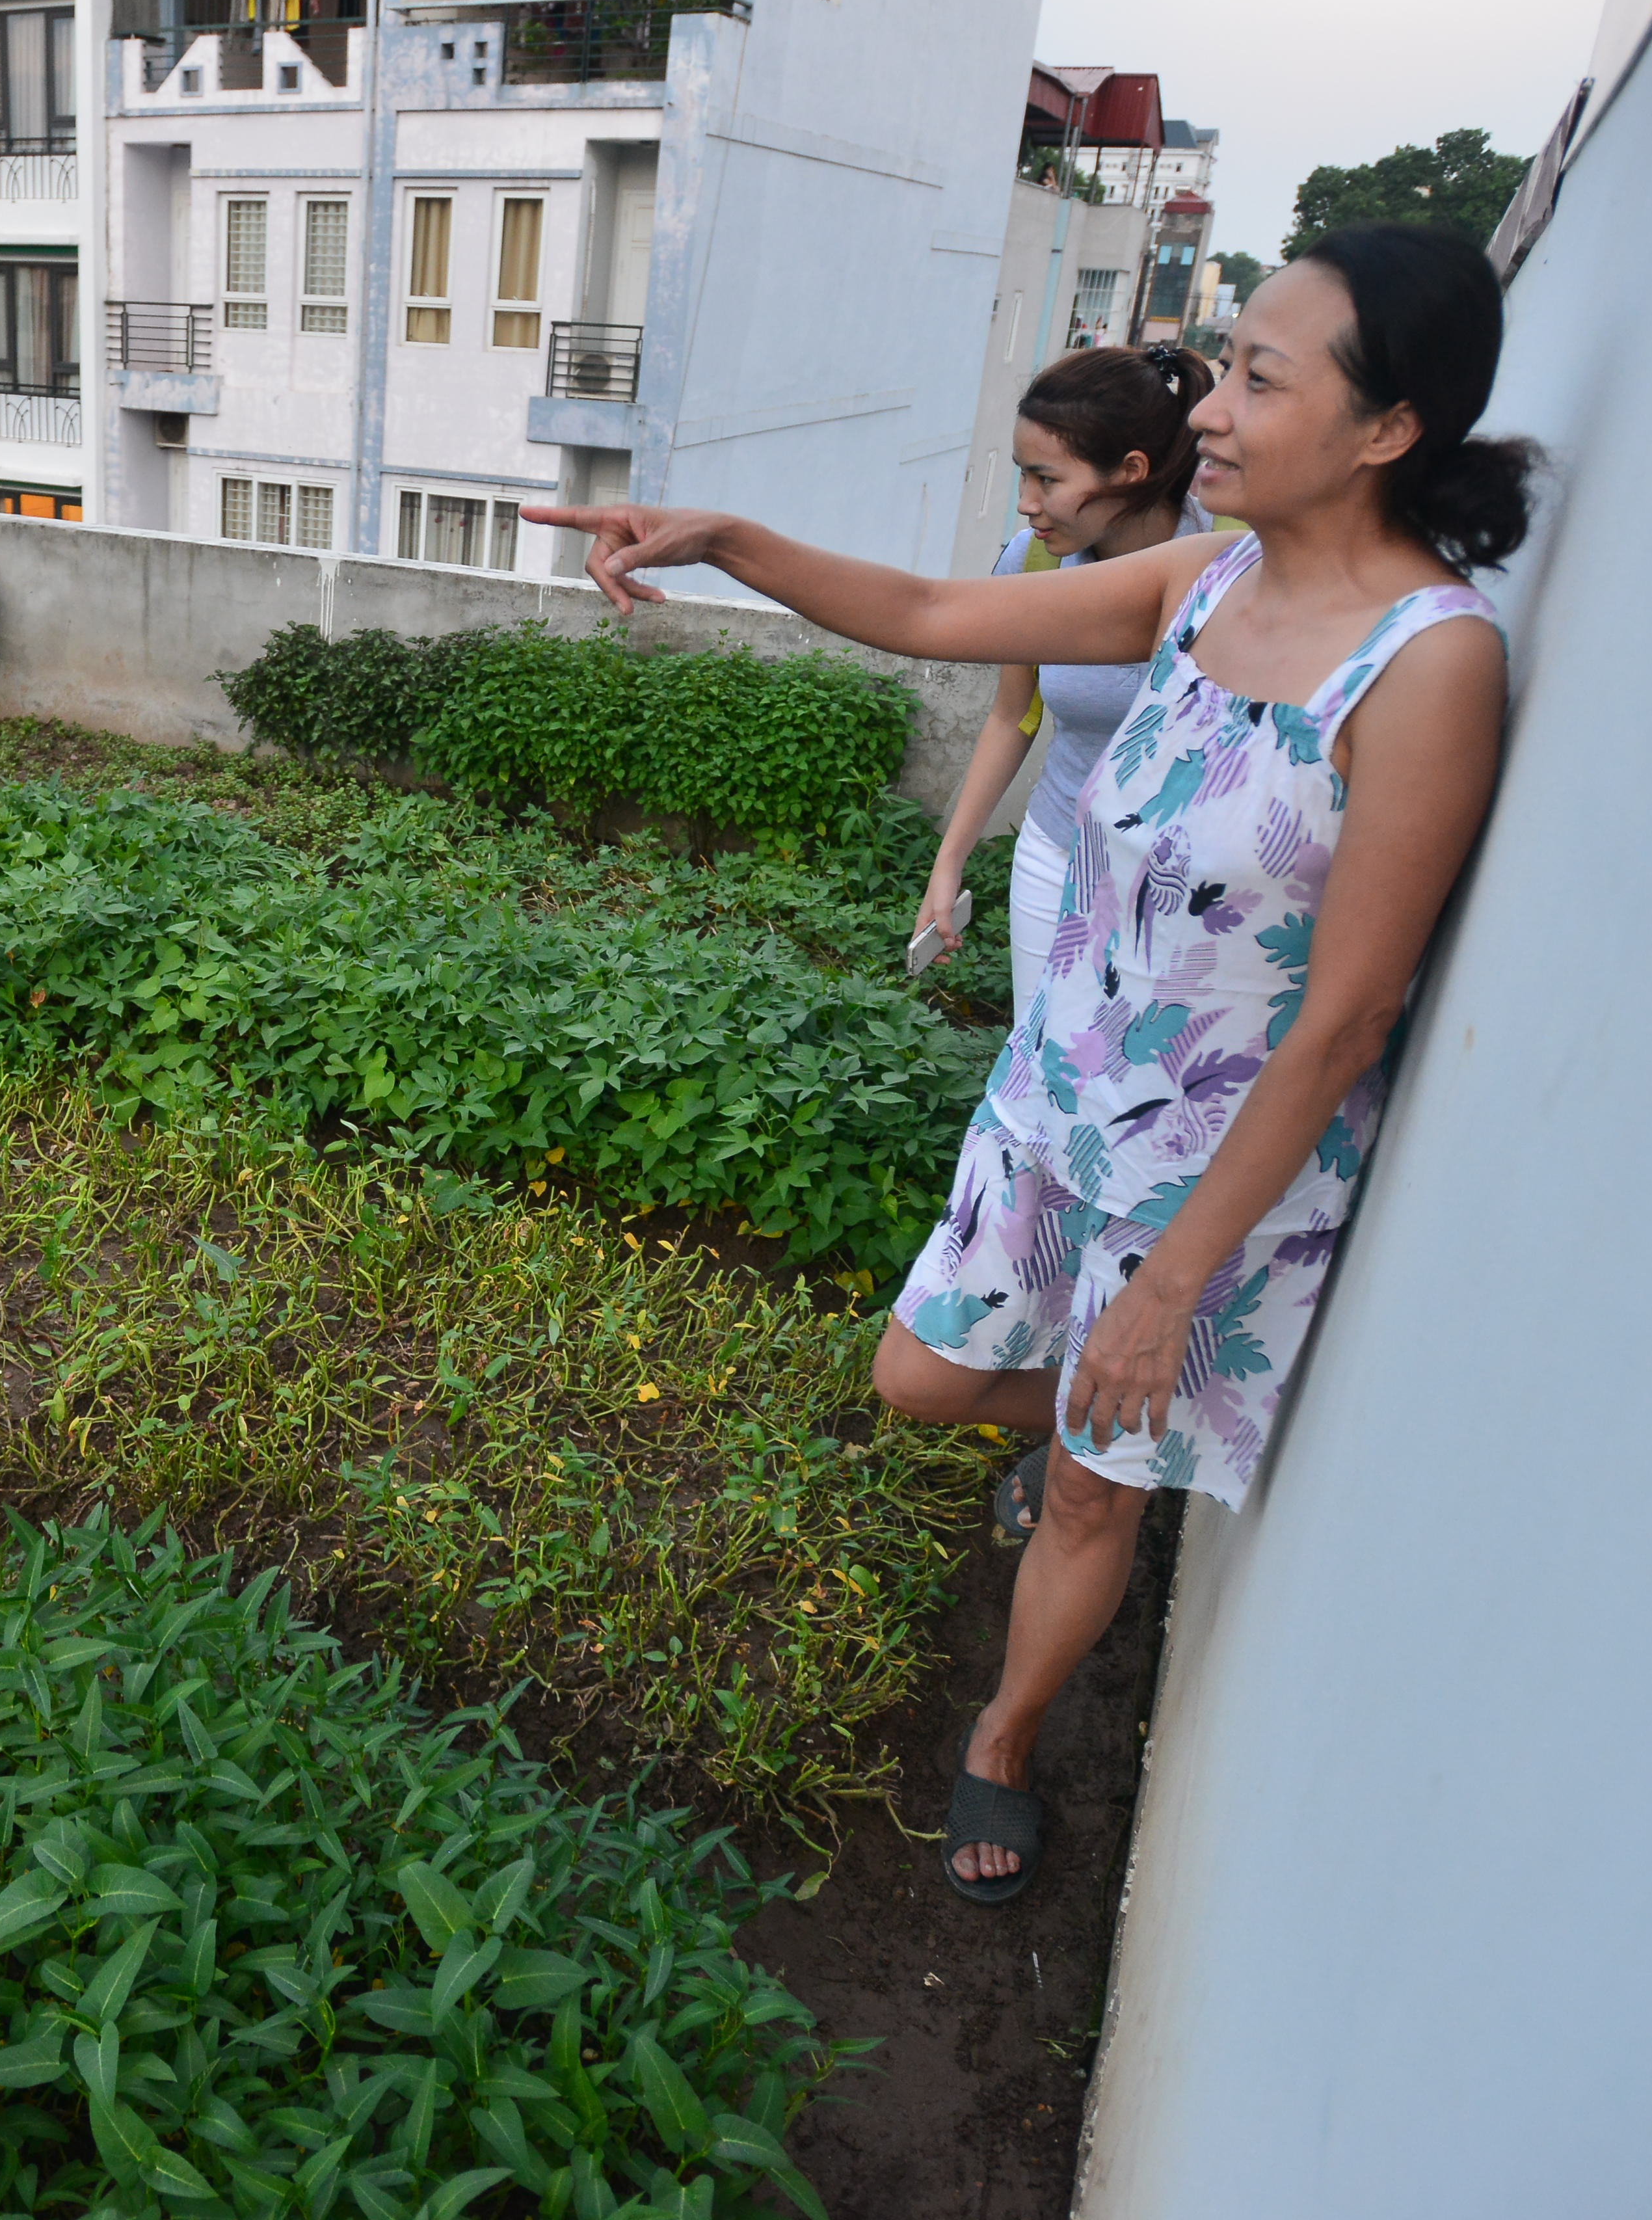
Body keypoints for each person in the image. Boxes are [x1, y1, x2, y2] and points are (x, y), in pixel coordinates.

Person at [526, 222, 1538, 1903]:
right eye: (1223, 368)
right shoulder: (1204, 582)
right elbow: (937, 610)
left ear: (1389, 428)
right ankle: (1128, 1433)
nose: (1208, 408)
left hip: (1202, 1191)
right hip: (1057, 1096)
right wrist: (727, 541)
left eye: (1258, 379)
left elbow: (1349, 1019)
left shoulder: (1428, 666)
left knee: (1082, 1498)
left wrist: (1173, 1288)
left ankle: (1002, 1738)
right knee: (915, 1375)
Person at [918, 347, 1226, 1022]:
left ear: (1131, 471)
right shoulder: (1032, 563)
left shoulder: (1234, 566)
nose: (1026, 504)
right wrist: (949, 861)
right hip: (1057, 853)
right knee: (1044, 1049)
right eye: (1022, 475)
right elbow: (1014, 716)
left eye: (1047, 479)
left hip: (1194, 879)